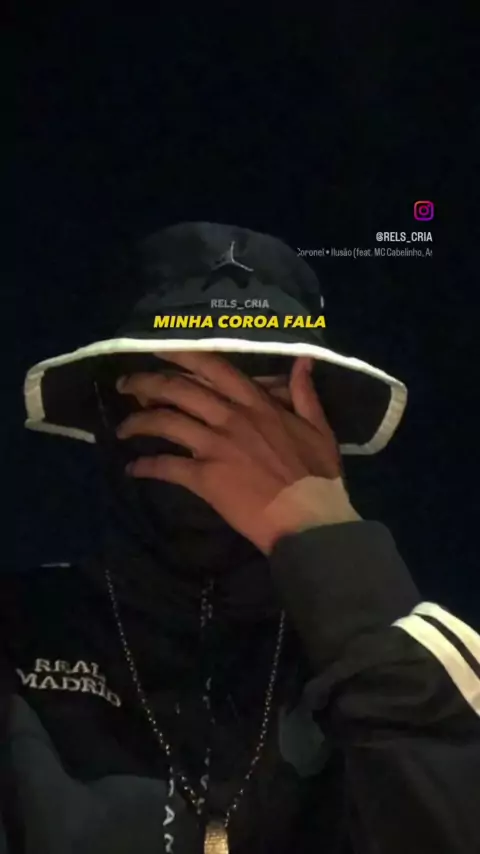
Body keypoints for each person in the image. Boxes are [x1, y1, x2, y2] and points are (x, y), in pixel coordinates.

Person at [1, 222, 479, 854]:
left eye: (263, 389)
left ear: (321, 425)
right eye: (179, 387)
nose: (226, 436)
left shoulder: (411, 660)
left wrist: (331, 544)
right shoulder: (18, 633)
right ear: (108, 407)